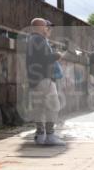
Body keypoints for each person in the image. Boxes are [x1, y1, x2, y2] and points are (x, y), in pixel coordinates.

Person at [25, 18, 67, 146]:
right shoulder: (39, 40)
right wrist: (57, 55)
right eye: (45, 26)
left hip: (35, 80)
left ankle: (40, 135)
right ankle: (50, 136)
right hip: (44, 79)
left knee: (39, 108)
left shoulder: (31, 39)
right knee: (53, 106)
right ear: (40, 27)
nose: (47, 28)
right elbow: (44, 59)